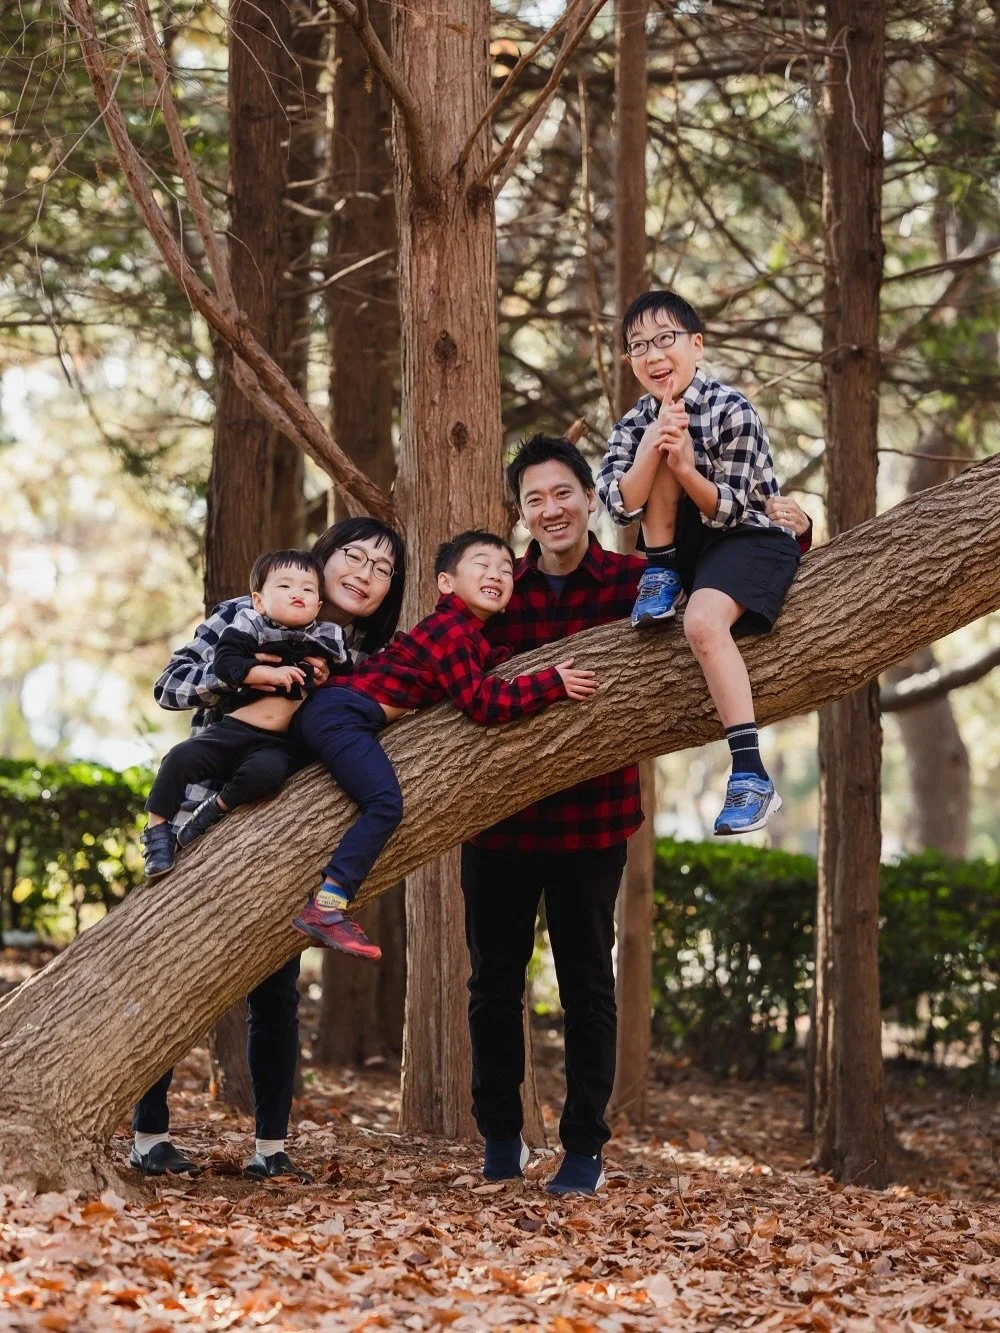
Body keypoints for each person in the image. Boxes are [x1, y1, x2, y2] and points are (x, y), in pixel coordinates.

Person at [464, 434, 810, 1198]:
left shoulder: (640, 581)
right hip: (497, 824)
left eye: (563, 493)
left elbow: (742, 600)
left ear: (592, 497)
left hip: (592, 824)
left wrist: (794, 528)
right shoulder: (492, 595)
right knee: (492, 984)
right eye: (534, 499)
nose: (550, 509)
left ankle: (583, 1145)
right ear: (519, 512)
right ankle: (498, 1136)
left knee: (588, 985)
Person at [129, 517, 406, 1183]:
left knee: (276, 993)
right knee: (169, 969)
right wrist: (253, 679)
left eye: (383, 568)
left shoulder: (366, 655)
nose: (364, 573)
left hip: (288, 830)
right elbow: (171, 685)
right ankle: (148, 1134)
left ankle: (270, 1148)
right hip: (209, 805)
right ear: (323, 555)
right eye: (354, 555)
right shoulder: (245, 613)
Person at [291, 530, 598, 956]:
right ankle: (328, 904)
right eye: (482, 565)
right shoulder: (451, 631)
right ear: (446, 583)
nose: (496, 574)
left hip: (341, 714)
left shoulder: (461, 635)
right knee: (384, 803)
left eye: (505, 570)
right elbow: (482, 704)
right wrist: (552, 682)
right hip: (339, 716)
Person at [598, 289, 803, 837]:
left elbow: (734, 510)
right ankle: (658, 570)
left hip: (748, 540)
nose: (652, 353)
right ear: (629, 361)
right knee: (661, 435)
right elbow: (619, 502)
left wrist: (686, 469)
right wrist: (653, 452)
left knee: (701, 622)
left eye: (665, 339)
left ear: (696, 345)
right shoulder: (632, 423)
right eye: (638, 345)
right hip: (687, 550)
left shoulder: (733, 409)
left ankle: (752, 775)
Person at [140, 550, 346, 879]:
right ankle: (157, 832)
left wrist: (327, 674)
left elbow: (348, 677)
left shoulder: (327, 637)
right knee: (179, 758)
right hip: (233, 730)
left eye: (308, 590)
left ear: (318, 605)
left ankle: (217, 807)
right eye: (285, 587)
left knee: (266, 774)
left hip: (276, 742)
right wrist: (259, 673)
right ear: (259, 601)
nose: (297, 594)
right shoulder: (248, 625)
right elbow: (224, 662)